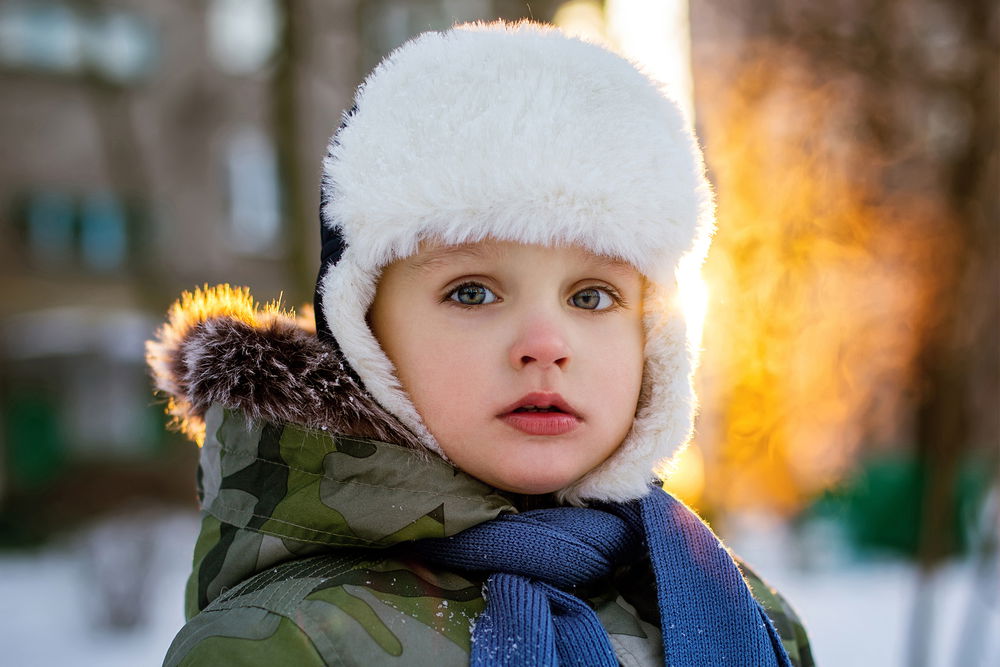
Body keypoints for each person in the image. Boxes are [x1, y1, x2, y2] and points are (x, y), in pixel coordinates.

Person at [148, 20, 813, 667]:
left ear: (656, 338)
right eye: (472, 292)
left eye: (591, 296)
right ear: (364, 334)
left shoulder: (745, 615)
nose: (545, 345)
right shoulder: (287, 643)